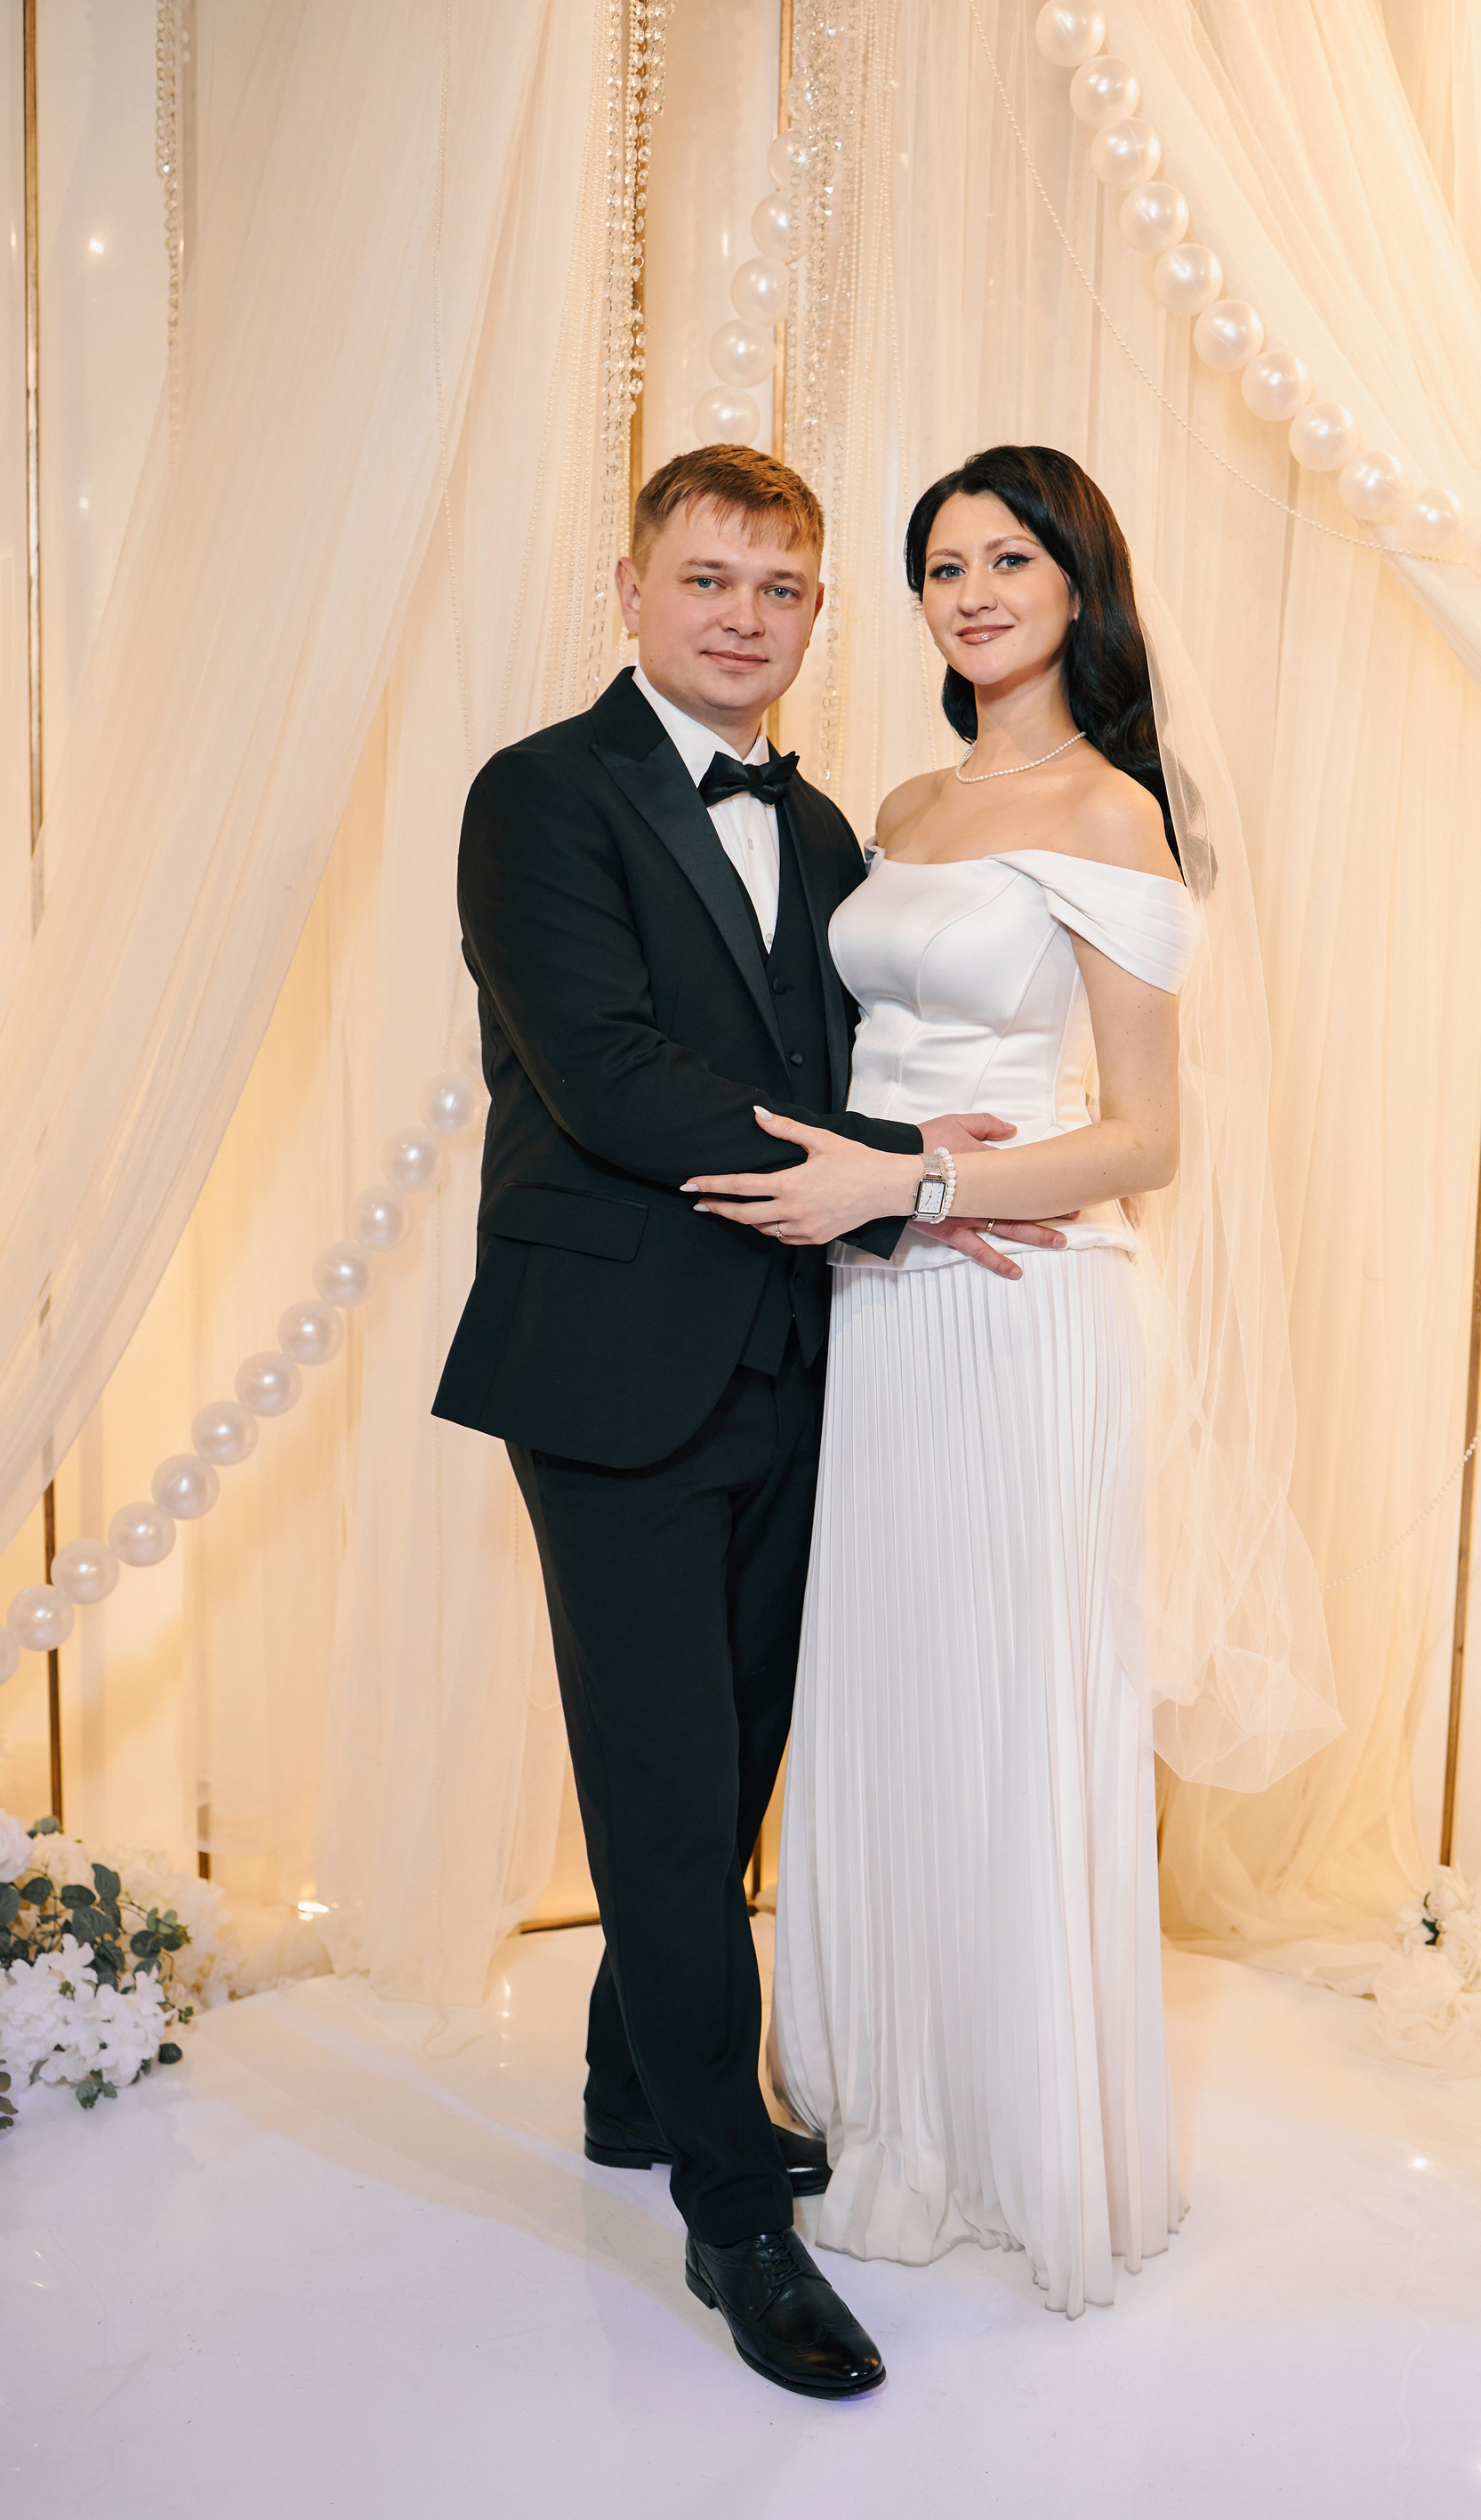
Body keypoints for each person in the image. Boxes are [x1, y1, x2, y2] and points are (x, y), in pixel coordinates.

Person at [433, 444, 1059, 2398]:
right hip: (611, 1365)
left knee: (732, 1773)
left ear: (815, 619)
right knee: (662, 1783)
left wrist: (929, 1164)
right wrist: (897, 1165)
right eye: (706, 580)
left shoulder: (824, 821)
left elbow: (834, 1039)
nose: (741, 617)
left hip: (800, 1352)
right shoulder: (539, 795)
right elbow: (612, 1080)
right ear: (629, 591)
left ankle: (635, 2085)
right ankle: (732, 2214)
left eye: (779, 590)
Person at [685, 444, 1337, 2317]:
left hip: (1032, 1304)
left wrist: (914, 1187)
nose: (972, 594)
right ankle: (891, 2102)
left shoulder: (1117, 815)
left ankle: (1027, 2133)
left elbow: (1143, 1137)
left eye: (1007, 562)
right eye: (943, 567)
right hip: (885, 1308)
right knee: (891, 1689)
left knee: (1017, 1698)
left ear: (1075, 586)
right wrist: (879, 1192)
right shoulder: (899, 803)